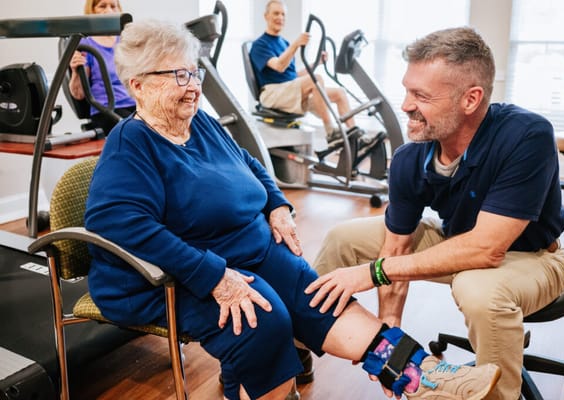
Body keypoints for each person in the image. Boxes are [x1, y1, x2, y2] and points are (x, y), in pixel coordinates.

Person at [84, 19, 501, 400]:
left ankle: (425, 377)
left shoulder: (202, 124)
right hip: (171, 277)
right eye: (177, 75)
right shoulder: (131, 144)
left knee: (317, 296)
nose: (192, 84)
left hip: (248, 253)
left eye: (193, 71)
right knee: (264, 319)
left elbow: (250, 166)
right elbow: (116, 221)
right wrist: (212, 275)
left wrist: (278, 206)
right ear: (138, 85)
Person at [307, 27, 564, 400]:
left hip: (533, 257)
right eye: (406, 90)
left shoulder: (527, 136)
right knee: (343, 238)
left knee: (478, 288)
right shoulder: (410, 157)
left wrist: (373, 273)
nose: (404, 105)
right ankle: (301, 341)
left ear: (471, 99)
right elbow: (396, 246)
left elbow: (487, 250)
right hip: (459, 240)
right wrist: (390, 334)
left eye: (420, 95)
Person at [250, 0, 362, 144]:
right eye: (276, 13)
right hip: (272, 94)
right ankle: (331, 131)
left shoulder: (283, 43)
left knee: (340, 93)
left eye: (283, 14)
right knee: (316, 79)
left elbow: (293, 76)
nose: (280, 17)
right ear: (266, 16)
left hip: (288, 91)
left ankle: (356, 140)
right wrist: (296, 44)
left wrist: (317, 62)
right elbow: (279, 66)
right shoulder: (260, 44)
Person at [68, 0, 136, 134]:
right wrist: (75, 71)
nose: (109, 10)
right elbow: (79, 94)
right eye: (102, 6)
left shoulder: (125, 40)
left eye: (113, 6)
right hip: (107, 109)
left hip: (134, 105)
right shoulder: (85, 44)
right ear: (92, 10)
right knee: (136, 131)